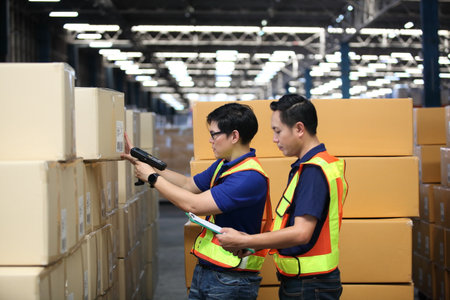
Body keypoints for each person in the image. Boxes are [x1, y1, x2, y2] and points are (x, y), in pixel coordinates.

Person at [121, 103, 272, 300]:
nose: (210, 140)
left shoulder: (248, 177)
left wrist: (152, 178)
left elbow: (193, 204)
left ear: (234, 136)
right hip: (209, 271)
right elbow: (187, 184)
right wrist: (144, 160)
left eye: (214, 134)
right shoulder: (224, 165)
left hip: (231, 279)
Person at [217, 94, 348, 300]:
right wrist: (253, 244)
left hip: (308, 286)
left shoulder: (313, 170)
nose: (274, 139)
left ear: (299, 129)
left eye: (277, 131)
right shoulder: (321, 164)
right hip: (311, 283)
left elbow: (301, 233)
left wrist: (249, 239)